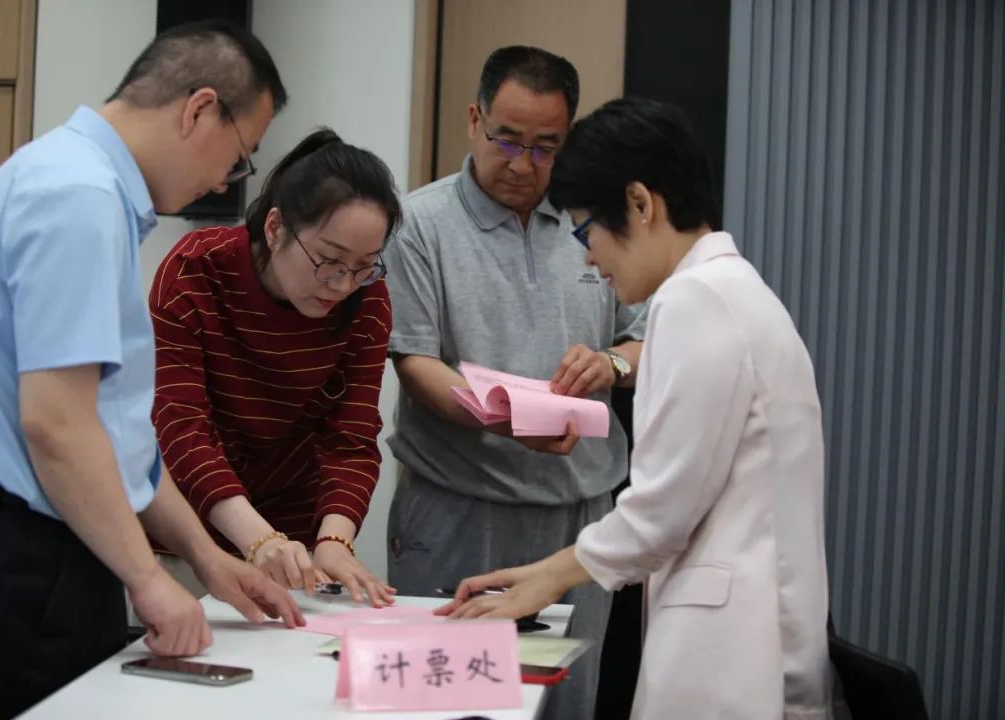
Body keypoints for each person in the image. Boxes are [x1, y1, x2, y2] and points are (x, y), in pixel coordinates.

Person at [0, 21, 305, 719]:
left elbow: (112, 433)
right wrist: (146, 577)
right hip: (29, 548)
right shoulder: (78, 197)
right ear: (199, 109)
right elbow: (57, 425)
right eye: (240, 156)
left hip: (47, 538)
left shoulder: (75, 181)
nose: (224, 180)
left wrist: (205, 558)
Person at [439, 97, 833, 720]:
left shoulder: (694, 300)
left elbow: (660, 510)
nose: (589, 258)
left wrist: (548, 576)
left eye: (585, 231)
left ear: (641, 204)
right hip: (762, 636)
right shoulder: (740, 292)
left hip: (732, 658)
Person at [382, 46, 648, 720]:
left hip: (579, 514)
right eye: (506, 140)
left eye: (544, 147)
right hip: (460, 507)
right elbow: (414, 362)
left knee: (568, 703)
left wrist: (612, 364)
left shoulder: (595, 221)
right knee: (451, 703)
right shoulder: (419, 224)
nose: (522, 164)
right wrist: (499, 417)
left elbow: (650, 337)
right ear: (474, 119)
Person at [148, 128, 401, 607]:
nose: (342, 284)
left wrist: (334, 541)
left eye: (364, 265)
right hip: (187, 540)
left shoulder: (367, 298)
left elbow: (351, 438)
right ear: (274, 227)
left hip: (293, 548)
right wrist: (257, 538)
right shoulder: (196, 270)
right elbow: (181, 425)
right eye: (328, 261)